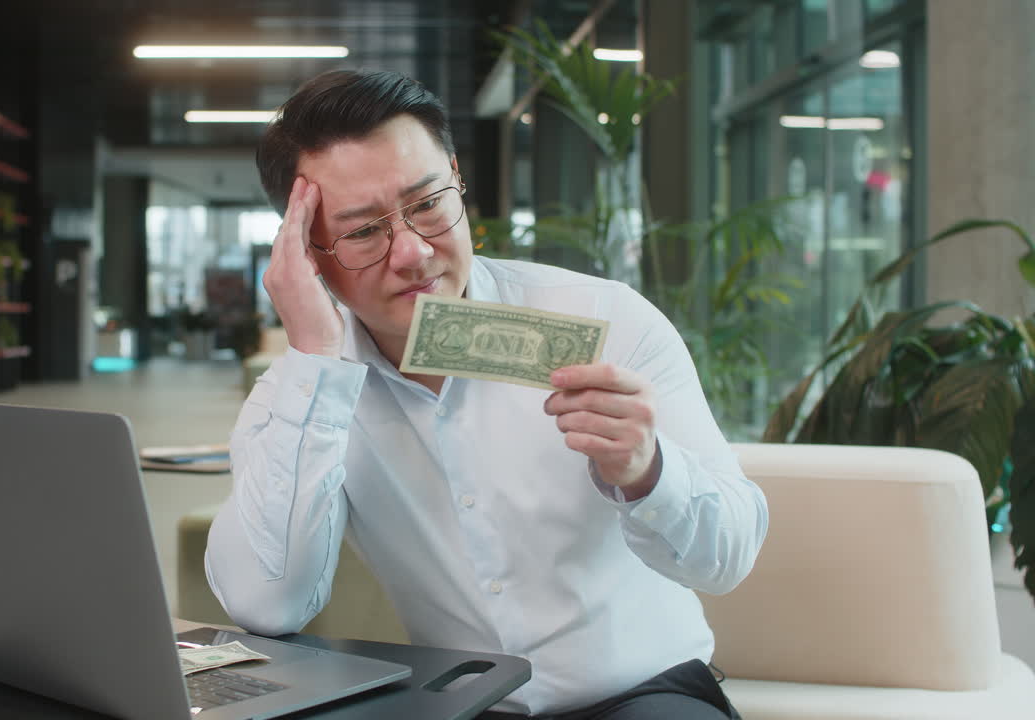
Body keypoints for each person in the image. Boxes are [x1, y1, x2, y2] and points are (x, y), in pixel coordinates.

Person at [205, 69, 768, 720]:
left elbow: (728, 558)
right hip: (467, 705)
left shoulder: (610, 319)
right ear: (307, 253)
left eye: (427, 204)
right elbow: (266, 604)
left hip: (647, 695)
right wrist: (313, 368)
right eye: (363, 232)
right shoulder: (299, 394)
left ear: (456, 177)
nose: (414, 253)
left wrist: (649, 472)